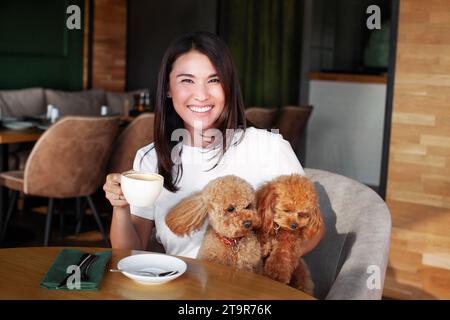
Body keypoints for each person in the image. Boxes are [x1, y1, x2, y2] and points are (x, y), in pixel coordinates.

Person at [103, 31, 321, 258]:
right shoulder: (151, 159)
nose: (201, 95)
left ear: (228, 87)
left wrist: (265, 265)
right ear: (168, 88)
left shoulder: (269, 147)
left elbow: (312, 231)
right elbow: (129, 252)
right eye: (187, 80)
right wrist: (120, 206)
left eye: (214, 80)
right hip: (180, 286)